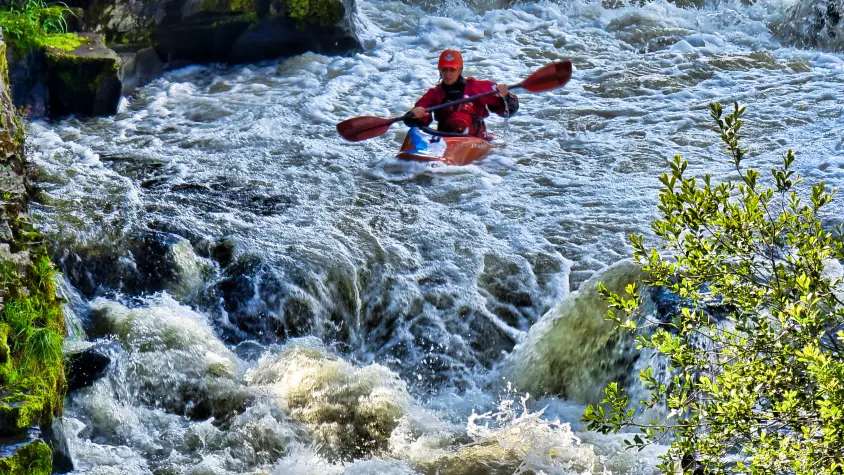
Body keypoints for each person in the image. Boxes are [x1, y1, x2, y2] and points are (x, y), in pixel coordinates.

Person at [403, 49, 519, 139]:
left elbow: (508, 111)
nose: (448, 74)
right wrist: (414, 115)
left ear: (460, 70)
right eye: (444, 70)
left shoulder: (477, 87)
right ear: (440, 70)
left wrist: (506, 96)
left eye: (452, 70)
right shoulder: (434, 93)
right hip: (447, 140)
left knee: (460, 118)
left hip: (476, 141)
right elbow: (420, 118)